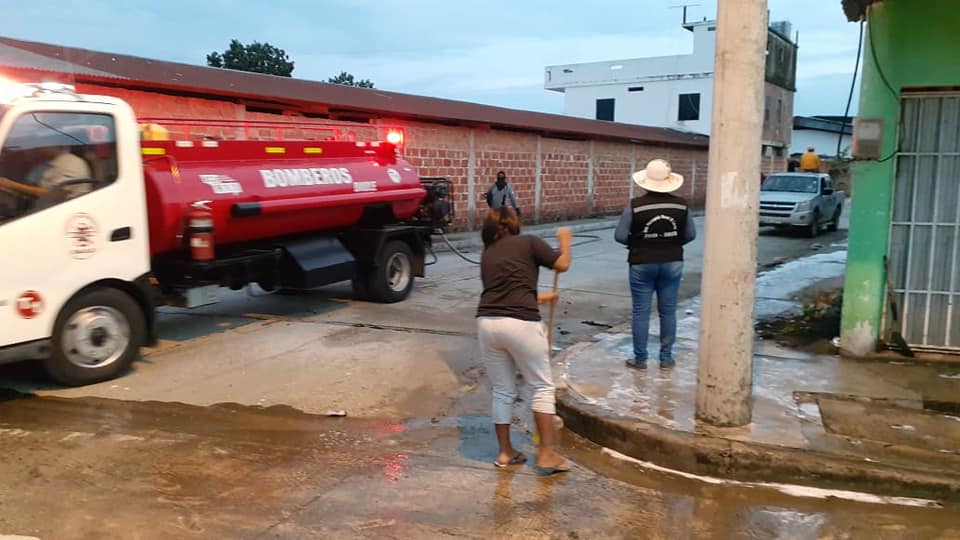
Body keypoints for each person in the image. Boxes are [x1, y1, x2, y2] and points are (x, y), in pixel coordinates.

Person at [476, 207, 571, 474]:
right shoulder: (529, 242)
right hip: (522, 324)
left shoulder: (488, 253)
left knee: (502, 390)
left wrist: (543, 298)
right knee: (542, 386)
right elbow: (562, 264)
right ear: (514, 224)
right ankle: (547, 453)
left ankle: (505, 451)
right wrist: (565, 241)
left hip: (488, 323)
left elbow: (505, 292)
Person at [614, 159, 696, 369]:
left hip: (641, 262)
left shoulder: (635, 205)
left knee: (641, 312)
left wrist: (638, 243)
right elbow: (690, 234)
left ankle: (640, 359)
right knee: (667, 311)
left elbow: (620, 235)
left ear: (645, 182)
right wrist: (671, 243)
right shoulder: (681, 205)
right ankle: (666, 358)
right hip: (672, 262)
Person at [0, 145, 92, 201]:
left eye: (42, 145)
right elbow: (30, 185)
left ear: (53, 144)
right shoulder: (43, 165)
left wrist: (11, 185)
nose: (38, 148)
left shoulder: (72, 163)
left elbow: (54, 194)